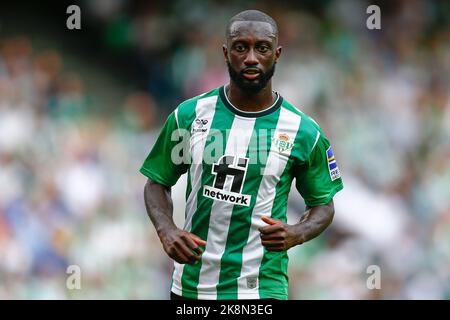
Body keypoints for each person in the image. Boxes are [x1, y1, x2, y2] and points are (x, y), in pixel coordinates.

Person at [140, 9, 343, 300]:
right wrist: (167, 230)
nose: (251, 57)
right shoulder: (190, 115)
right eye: (240, 47)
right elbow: (156, 182)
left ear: (277, 54)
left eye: (262, 48)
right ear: (225, 53)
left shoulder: (303, 131)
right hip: (193, 286)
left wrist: (298, 233)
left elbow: (324, 205)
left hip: (262, 288)